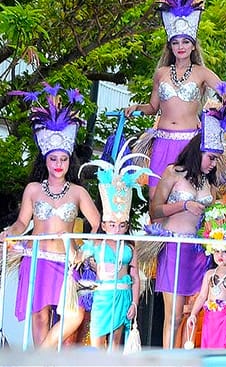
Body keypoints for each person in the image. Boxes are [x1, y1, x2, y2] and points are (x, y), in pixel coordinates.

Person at [1, 85, 100, 347]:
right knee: (40, 318)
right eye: (53, 159)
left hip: (67, 261)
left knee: (70, 322)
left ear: (69, 162)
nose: (58, 164)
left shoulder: (78, 192)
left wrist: (85, 249)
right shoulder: (33, 190)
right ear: (45, 160)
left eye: (63, 159)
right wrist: (10, 232)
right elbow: (23, 222)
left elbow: (97, 223)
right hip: (37, 258)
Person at [149, 84, 226, 349]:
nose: (213, 163)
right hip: (174, 247)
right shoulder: (173, 172)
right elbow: (154, 210)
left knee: (192, 312)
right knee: (173, 316)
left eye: (217, 158)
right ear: (199, 152)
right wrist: (183, 207)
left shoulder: (211, 183)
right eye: (211, 157)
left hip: (199, 251)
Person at [124, 0, 222, 201]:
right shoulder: (161, 73)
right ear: (170, 46)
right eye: (176, 42)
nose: (181, 46)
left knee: (186, 194)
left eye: (185, 42)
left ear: (193, 46)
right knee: (156, 194)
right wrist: (137, 108)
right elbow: (153, 107)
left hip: (190, 143)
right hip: (162, 139)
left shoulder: (201, 72)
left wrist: (216, 114)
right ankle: (156, 237)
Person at [78, 141, 154, 349]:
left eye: (121, 225)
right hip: (103, 295)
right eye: (112, 224)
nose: (117, 229)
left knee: (117, 341)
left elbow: (136, 275)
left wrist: (134, 303)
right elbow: (77, 258)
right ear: (104, 224)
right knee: (96, 341)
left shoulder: (130, 247)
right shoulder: (97, 243)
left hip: (123, 294)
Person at [187, 248, 226, 349]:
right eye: (217, 251)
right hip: (210, 319)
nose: (220, 255)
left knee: (224, 346)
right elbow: (202, 296)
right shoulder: (209, 274)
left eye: (225, 251)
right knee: (208, 345)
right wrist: (193, 314)